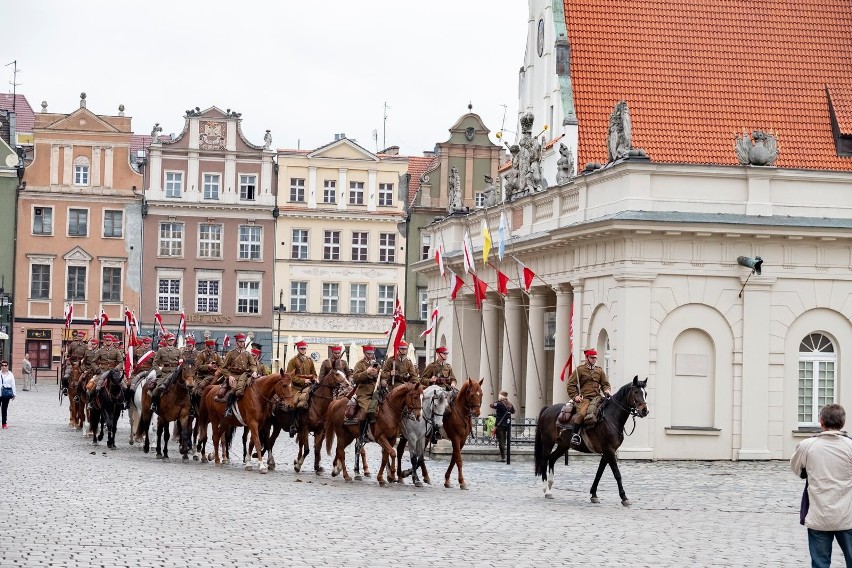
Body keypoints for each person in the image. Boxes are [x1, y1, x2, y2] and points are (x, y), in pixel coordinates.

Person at [791, 404, 852, 567]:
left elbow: (797, 469)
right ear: (843, 423)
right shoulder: (850, 446)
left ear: (821, 421)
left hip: (819, 513)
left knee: (820, 563)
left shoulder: (807, 445)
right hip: (847, 515)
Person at [565, 349, 611, 446]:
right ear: (586, 358)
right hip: (584, 398)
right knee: (582, 414)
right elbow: (570, 385)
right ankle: (575, 435)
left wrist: (607, 390)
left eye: (595, 358)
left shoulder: (599, 370)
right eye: (592, 358)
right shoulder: (579, 370)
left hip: (597, 397)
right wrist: (575, 396)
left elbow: (605, 384)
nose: (594, 360)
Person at [219, 333, 258, 418]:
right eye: (240, 342)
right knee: (233, 389)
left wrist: (254, 371)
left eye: (243, 342)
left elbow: (253, 365)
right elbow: (224, 367)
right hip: (234, 375)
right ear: (236, 342)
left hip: (245, 375)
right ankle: (228, 409)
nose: (242, 343)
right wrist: (229, 376)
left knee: (252, 388)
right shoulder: (231, 353)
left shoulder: (247, 354)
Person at [350, 345, 381, 445]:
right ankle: (362, 435)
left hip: (376, 391)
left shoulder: (377, 364)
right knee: (366, 410)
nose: (370, 356)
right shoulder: (359, 364)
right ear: (364, 353)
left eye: (372, 354)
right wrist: (366, 372)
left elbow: (383, 376)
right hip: (364, 392)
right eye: (368, 354)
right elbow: (356, 378)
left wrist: (382, 378)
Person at [286, 340, 317, 436]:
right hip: (296, 388)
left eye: (304, 348)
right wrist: (303, 381)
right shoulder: (293, 361)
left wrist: (315, 379)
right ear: (298, 349)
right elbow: (290, 376)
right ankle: (293, 425)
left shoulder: (309, 360)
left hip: (309, 387)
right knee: (294, 403)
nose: (303, 350)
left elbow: (314, 373)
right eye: (301, 349)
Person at [87, 334, 125, 409]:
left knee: (124, 385)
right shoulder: (100, 351)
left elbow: (121, 362)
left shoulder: (116, 351)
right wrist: (97, 369)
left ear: (112, 341)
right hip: (102, 371)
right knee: (94, 386)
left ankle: (123, 402)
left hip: (114, 372)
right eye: (106, 340)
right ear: (104, 341)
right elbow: (93, 362)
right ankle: (91, 402)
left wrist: (116, 369)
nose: (108, 342)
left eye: (109, 340)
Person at [149, 333, 181, 412]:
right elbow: (155, 363)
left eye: (173, 340)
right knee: (158, 388)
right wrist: (158, 372)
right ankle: (154, 404)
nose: (171, 341)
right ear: (166, 341)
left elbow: (181, 362)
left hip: (175, 373)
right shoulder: (161, 350)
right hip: (165, 373)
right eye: (170, 340)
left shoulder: (178, 351)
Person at [490, 391, 515, 461]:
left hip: (499, 425)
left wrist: (498, 400)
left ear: (501, 396)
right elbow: (513, 411)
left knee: (501, 441)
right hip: (507, 425)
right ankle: (504, 456)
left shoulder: (499, 403)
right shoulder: (510, 404)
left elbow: (491, 405)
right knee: (504, 440)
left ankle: (503, 457)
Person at [0, 360, 16, 428]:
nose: (4, 367)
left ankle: (4, 424)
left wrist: (14, 394)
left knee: (4, 409)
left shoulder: (10, 374)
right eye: (2, 365)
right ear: (1, 366)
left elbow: (13, 384)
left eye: (5, 365)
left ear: (7, 366)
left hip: (6, 394)